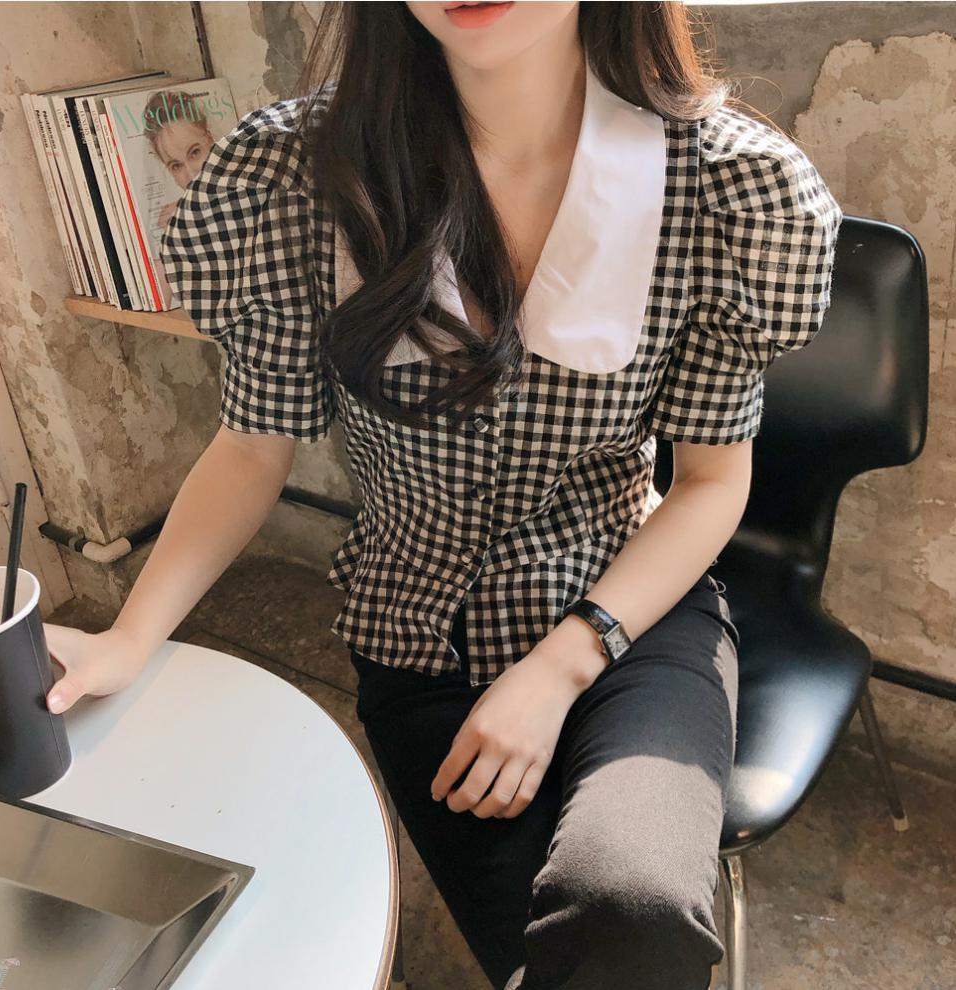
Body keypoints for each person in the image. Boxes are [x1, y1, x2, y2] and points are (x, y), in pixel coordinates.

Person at [42, 3, 844, 988]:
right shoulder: (293, 176)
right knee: (544, 957)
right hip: (418, 632)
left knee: (632, 908)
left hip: (627, 613)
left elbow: (711, 483)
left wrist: (558, 667)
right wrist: (128, 637)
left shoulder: (726, 187)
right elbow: (250, 446)